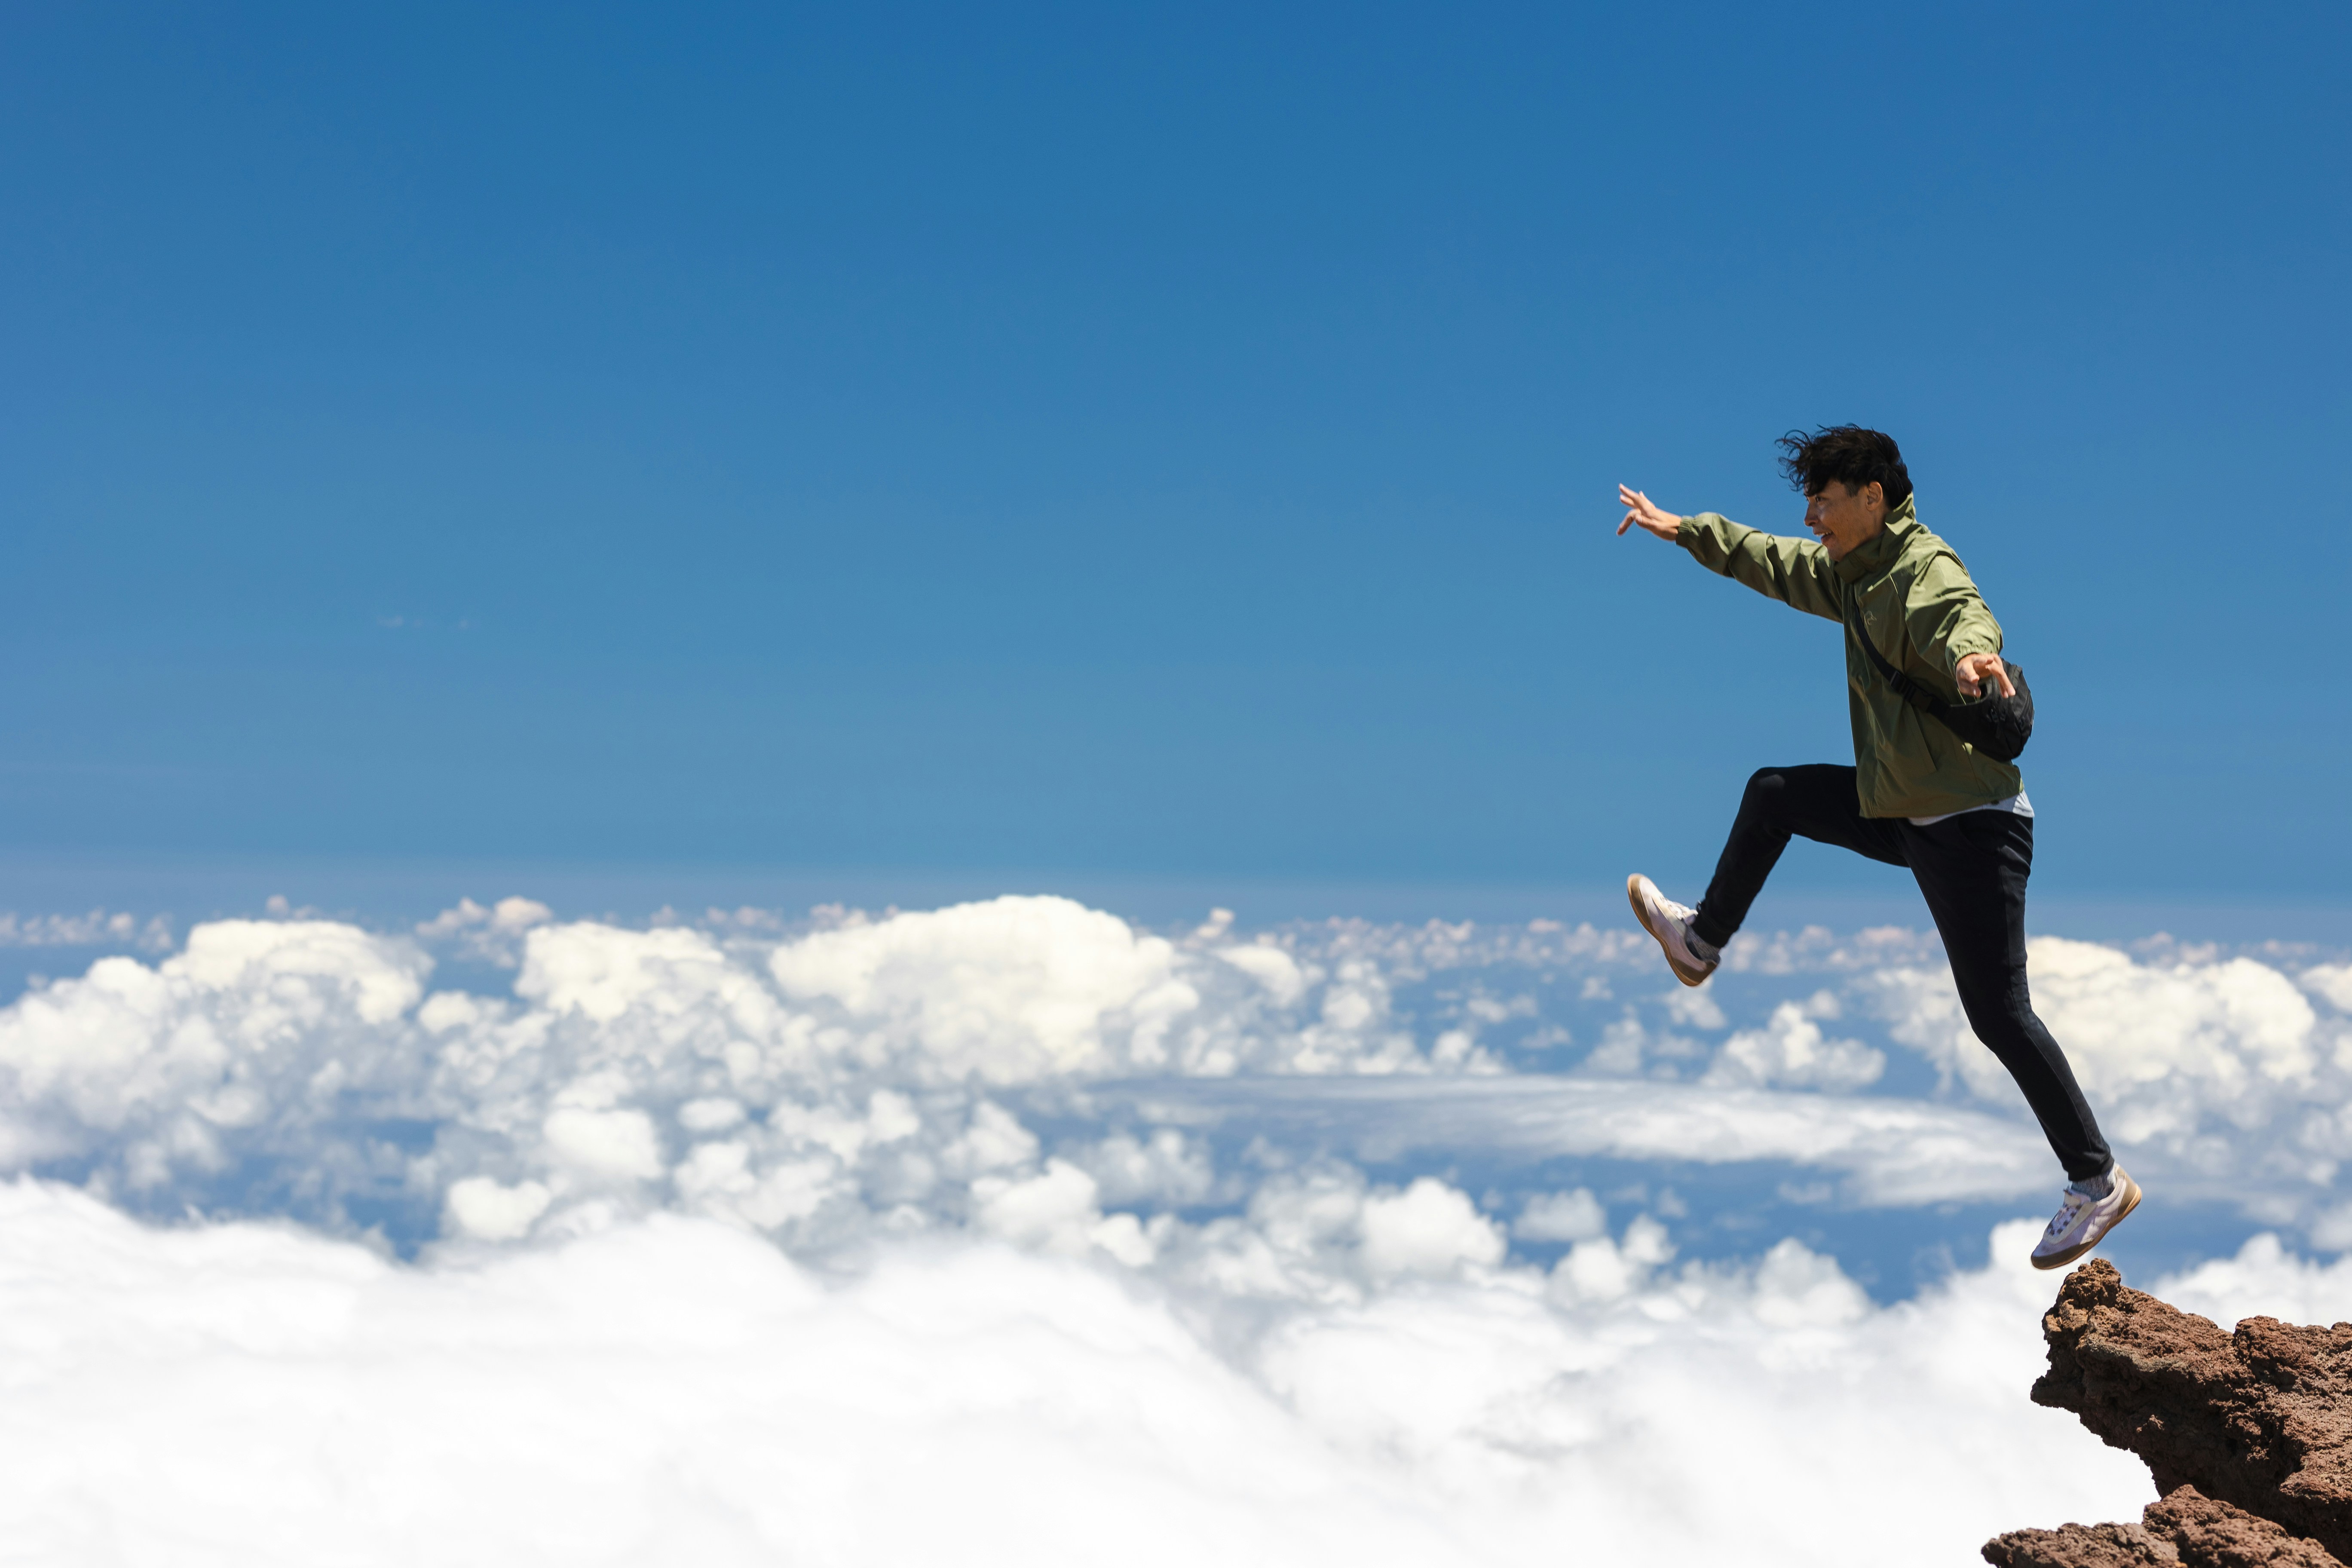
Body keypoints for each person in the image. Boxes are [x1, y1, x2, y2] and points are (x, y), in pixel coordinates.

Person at [1614, 426, 2138, 1270]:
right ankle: (1701, 943)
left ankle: (2097, 1181)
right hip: (1905, 810)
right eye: (1811, 499)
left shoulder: (1919, 569)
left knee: (1999, 1015)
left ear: (1873, 498)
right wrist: (1685, 530)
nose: (1813, 513)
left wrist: (1974, 660)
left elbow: (1960, 614)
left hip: (1973, 827)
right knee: (1775, 794)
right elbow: (1774, 561)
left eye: (1825, 498)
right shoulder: (1851, 575)